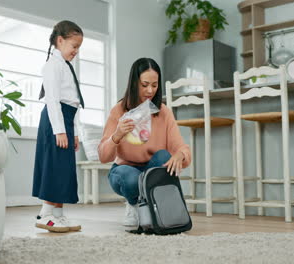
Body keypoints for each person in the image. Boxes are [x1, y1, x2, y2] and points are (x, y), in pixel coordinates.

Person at [98, 58, 191, 226]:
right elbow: (103, 156)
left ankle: (151, 206)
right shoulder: (119, 110)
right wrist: (117, 135)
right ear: (134, 83)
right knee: (131, 177)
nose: (150, 91)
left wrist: (180, 155)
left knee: (164, 155)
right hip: (124, 171)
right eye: (144, 85)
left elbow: (181, 147)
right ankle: (134, 204)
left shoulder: (163, 112)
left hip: (152, 172)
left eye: (154, 85)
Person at [32, 20, 85, 233]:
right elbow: (53, 100)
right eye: (74, 46)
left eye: (79, 48)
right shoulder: (52, 65)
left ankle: (58, 216)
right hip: (56, 121)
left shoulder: (65, 65)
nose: (76, 52)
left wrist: (74, 131)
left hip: (66, 119)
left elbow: (72, 102)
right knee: (53, 167)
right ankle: (45, 214)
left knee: (64, 170)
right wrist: (60, 130)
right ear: (60, 41)